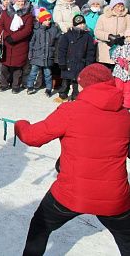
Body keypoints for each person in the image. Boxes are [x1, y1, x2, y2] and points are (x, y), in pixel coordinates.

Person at [15, 63, 130, 256]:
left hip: (71, 194)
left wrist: (20, 124)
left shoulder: (70, 111)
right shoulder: (125, 116)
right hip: (114, 197)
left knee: (40, 226)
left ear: (84, 85)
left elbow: (32, 137)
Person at [0, 0, 34, 93]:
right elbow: (0, 25)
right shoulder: (6, 13)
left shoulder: (28, 15)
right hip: (6, 43)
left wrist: (14, 38)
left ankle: (15, 85)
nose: (21, 3)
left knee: (17, 67)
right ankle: (4, 83)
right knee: (4, 66)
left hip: (20, 45)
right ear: (14, 1)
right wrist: (6, 36)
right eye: (19, 1)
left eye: (22, 1)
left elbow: (27, 30)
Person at [57, 15, 96, 101]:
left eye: (83, 24)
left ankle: (75, 96)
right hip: (68, 63)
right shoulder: (67, 35)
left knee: (77, 81)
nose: (81, 26)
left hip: (81, 63)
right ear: (74, 25)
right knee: (66, 80)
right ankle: (63, 95)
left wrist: (88, 63)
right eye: (79, 24)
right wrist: (62, 62)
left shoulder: (88, 37)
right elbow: (61, 50)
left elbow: (90, 51)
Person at [26, 9, 60, 96]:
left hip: (48, 55)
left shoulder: (54, 29)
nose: (48, 22)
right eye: (46, 20)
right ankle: (30, 86)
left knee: (48, 73)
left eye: (49, 19)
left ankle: (49, 89)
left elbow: (57, 39)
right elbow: (32, 42)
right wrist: (30, 53)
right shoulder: (36, 29)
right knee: (33, 72)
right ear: (41, 20)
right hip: (37, 54)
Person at [94, 0, 130, 67]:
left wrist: (121, 36)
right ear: (113, 6)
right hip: (105, 50)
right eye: (118, 6)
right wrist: (109, 36)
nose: (120, 8)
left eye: (122, 6)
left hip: (121, 50)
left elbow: (129, 29)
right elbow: (97, 32)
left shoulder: (127, 17)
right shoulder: (103, 17)